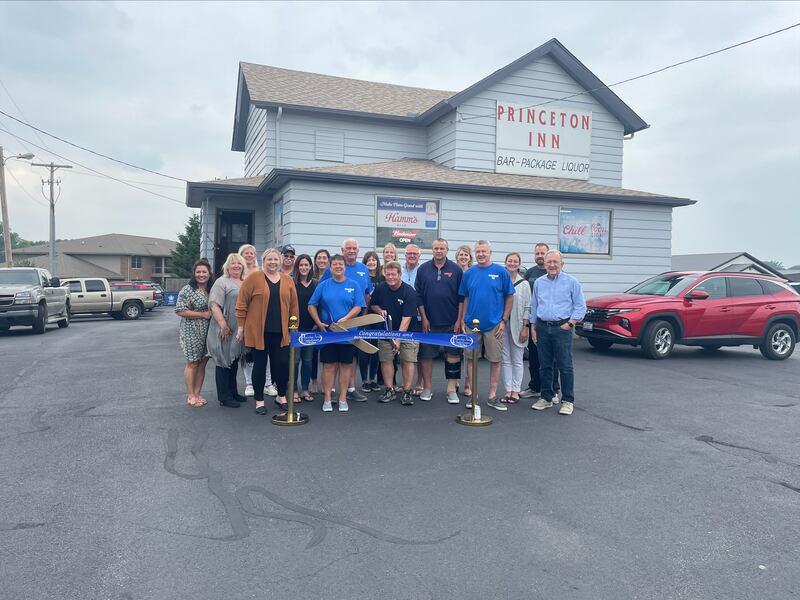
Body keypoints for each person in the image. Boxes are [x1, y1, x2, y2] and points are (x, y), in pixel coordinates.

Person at [235, 248, 299, 416]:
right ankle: (259, 400)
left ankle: (281, 396)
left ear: (280, 261)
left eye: (275, 259)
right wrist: (241, 327)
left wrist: (294, 327)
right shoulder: (253, 278)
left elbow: (294, 306)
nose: (273, 262)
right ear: (263, 260)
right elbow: (242, 304)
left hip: (281, 332)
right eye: (269, 259)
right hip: (258, 331)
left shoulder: (288, 280)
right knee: (260, 366)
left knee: (282, 364)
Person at [457, 240, 515, 411]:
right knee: (471, 359)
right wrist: (462, 320)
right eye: (478, 251)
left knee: (495, 360)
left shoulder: (501, 272)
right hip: (471, 325)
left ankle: (492, 396)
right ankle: (473, 396)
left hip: (494, 325)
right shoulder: (469, 273)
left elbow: (509, 296)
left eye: (484, 251)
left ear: (490, 252)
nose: (481, 254)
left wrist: (503, 320)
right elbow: (465, 297)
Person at [529, 250, 586, 416]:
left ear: (562, 264)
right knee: (545, 365)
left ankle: (568, 400)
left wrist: (570, 324)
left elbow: (580, 305)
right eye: (549, 262)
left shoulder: (571, 282)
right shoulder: (539, 282)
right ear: (545, 264)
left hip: (562, 328)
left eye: (555, 262)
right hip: (542, 327)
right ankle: (546, 397)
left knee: (565, 365)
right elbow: (534, 305)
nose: (552, 265)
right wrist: (533, 326)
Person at [308, 254, 366, 412]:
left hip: (348, 333)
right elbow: (311, 305)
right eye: (335, 265)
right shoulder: (323, 285)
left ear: (345, 267)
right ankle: (327, 399)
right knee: (328, 366)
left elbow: (359, 306)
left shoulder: (353, 285)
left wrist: (346, 318)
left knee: (346, 366)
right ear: (330, 267)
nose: (338, 267)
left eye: (341, 264)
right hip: (328, 333)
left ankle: (342, 398)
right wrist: (318, 322)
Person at [320, 238, 374, 402]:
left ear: (358, 251)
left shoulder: (363, 269)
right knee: (332, 359)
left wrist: (363, 316)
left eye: (354, 249)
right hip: (334, 323)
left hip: (355, 321)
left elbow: (367, 293)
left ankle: (350, 388)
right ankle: (332, 391)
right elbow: (323, 291)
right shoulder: (332, 269)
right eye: (348, 248)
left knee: (350, 357)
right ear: (342, 251)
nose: (351, 251)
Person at [415, 238, 464, 404]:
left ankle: (451, 390)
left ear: (447, 250)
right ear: (432, 250)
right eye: (436, 248)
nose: (439, 251)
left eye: (442, 248)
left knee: (453, 355)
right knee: (426, 356)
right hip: (429, 322)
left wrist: (459, 321)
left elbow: (461, 298)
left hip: (451, 322)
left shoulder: (456, 270)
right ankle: (427, 388)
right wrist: (424, 318)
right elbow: (419, 296)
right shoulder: (423, 270)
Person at [370, 261, 419, 406]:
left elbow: (407, 319)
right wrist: (380, 310)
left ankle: (407, 392)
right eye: (388, 274)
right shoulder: (380, 288)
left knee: (408, 360)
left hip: (408, 333)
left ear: (400, 275)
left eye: (393, 274)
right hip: (385, 331)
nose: (390, 277)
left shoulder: (409, 291)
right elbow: (373, 304)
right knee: (386, 360)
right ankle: (389, 390)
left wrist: (398, 340)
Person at [520, 242, 560, 400]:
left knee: (551, 358)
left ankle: (554, 389)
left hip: (550, 323)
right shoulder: (530, 273)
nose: (540, 256)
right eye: (537, 253)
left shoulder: (555, 273)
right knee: (534, 357)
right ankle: (535, 386)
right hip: (533, 321)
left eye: (542, 253)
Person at [238, 244, 277, 400]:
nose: (249, 255)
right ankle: (249, 383)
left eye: (252, 253)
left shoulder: (261, 272)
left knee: (263, 354)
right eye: (246, 253)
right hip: (244, 318)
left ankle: (267, 383)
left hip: (263, 320)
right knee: (248, 354)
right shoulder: (237, 271)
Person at [207, 253, 246, 408]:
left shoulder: (245, 282)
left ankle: (233, 392)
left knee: (234, 360)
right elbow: (214, 304)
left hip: (239, 328)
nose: (236, 266)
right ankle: (224, 396)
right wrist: (223, 324)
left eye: (239, 263)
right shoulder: (221, 282)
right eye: (232, 263)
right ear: (227, 266)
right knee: (223, 361)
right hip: (225, 328)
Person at [176, 259, 214, 407]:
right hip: (191, 330)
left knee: (203, 362)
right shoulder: (188, 289)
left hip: (208, 331)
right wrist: (202, 315)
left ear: (209, 273)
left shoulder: (212, 289)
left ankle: (197, 393)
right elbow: (179, 310)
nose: (201, 275)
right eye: (198, 272)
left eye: (204, 272)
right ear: (194, 273)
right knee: (192, 362)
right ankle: (190, 395)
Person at [500, 252, 531, 404]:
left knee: (517, 359)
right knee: (505, 359)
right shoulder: (500, 280)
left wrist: (525, 327)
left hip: (518, 326)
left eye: (515, 261)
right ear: (505, 263)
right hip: (502, 325)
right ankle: (508, 390)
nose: (512, 263)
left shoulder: (524, 284)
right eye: (509, 261)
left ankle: (516, 390)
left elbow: (528, 307)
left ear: (519, 265)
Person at [358, 250, 384, 392]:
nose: (371, 262)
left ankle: (373, 379)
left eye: (374, 260)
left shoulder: (383, 277)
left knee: (375, 348)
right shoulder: (362, 277)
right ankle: (364, 380)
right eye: (369, 260)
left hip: (378, 317)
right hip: (364, 315)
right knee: (363, 348)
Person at [293, 254, 316, 403]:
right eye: (301, 265)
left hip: (311, 328)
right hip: (295, 329)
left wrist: (317, 323)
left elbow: (320, 304)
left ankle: (305, 388)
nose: (303, 268)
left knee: (307, 361)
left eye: (306, 265)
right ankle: (294, 389)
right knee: (294, 361)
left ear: (310, 267)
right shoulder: (292, 283)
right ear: (297, 267)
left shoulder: (316, 284)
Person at [310, 248, 331, 393]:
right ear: (315, 260)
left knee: (326, 353)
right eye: (319, 258)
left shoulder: (332, 275)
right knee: (312, 354)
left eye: (324, 258)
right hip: (313, 319)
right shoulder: (309, 276)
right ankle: (314, 381)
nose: (322, 260)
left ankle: (326, 383)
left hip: (326, 319)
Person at [454, 244, 474, 395]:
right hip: (452, 312)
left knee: (468, 352)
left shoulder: (472, 273)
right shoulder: (453, 272)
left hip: (467, 314)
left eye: (466, 255)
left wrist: (462, 318)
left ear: (470, 257)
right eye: (461, 254)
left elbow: (465, 297)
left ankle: (468, 383)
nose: (463, 257)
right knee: (455, 350)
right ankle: (455, 381)